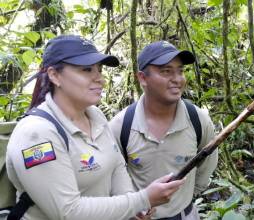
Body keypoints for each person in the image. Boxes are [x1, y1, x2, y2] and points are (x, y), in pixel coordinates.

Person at [5, 35, 184, 220]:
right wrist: (142, 199)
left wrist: (131, 205)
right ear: (54, 75)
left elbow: (116, 166)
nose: (100, 79)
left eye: (99, 70)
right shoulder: (36, 134)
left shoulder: (95, 115)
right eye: (87, 69)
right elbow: (68, 212)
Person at [109, 41, 218, 219]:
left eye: (180, 71)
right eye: (166, 71)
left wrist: (183, 199)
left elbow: (205, 169)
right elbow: (112, 176)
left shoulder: (199, 121)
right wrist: (130, 206)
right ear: (143, 78)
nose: (177, 79)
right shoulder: (121, 126)